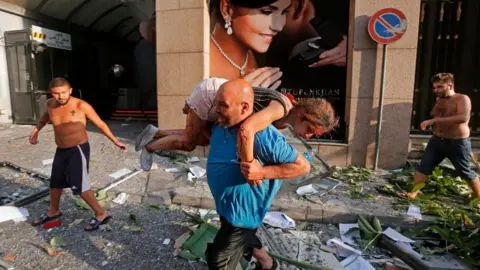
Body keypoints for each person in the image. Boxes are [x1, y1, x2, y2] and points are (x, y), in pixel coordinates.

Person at [205, 79, 310, 269]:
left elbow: (302, 166)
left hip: (242, 216)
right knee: (244, 239)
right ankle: (267, 263)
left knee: (218, 260)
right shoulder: (222, 124)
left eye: (223, 105)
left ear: (244, 108)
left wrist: (262, 171)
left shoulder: (264, 135)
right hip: (226, 207)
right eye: (216, 103)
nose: (216, 109)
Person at [135, 78, 338, 171]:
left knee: (204, 139)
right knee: (188, 143)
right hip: (213, 96)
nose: (308, 136)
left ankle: (156, 132)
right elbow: (246, 129)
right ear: (303, 114)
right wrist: (250, 167)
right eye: (310, 130)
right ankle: (149, 146)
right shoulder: (281, 108)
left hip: (224, 100)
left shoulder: (284, 123)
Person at [30, 77, 128, 231]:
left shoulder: (81, 105)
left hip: (78, 149)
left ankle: (101, 213)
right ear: (51, 93)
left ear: (70, 90)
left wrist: (116, 141)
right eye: (56, 93)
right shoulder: (50, 104)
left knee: (80, 185)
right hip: (61, 150)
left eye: (63, 92)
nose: (60, 96)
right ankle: (53, 211)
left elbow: (100, 124)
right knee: (56, 183)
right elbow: (45, 117)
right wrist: (36, 131)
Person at [400, 73, 480, 199]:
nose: (436, 90)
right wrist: (433, 122)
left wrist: (433, 121)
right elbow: (438, 115)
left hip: (457, 142)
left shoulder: (462, 99)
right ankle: (413, 193)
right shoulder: (439, 99)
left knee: (465, 172)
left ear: (450, 85)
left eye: (440, 87)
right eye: (434, 88)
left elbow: (463, 117)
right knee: (424, 167)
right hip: (437, 140)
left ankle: (478, 197)